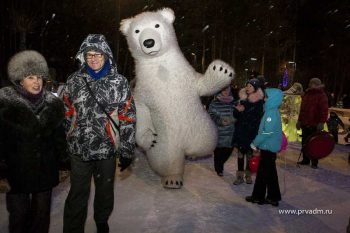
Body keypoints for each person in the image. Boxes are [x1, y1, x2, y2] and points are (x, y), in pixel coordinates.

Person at [62, 34, 136, 233]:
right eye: (89, 55)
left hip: (107, 149)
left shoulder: (119, 82)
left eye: (98, 54)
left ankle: (102, 222)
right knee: (77, 193)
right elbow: (67, 113)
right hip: (79, 149)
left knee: (104, 192)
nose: (93, 59)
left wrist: (128, 150)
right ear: (83, 57)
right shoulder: (74, 81)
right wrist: (64, 144)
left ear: (106, 55)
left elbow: (128, 117)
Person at [0, 50, 67, 233]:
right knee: (18, 217)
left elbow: (59, 138)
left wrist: (63, 163)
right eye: (30, 77)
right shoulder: (5, 104)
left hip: (45, 171)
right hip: (16, 171)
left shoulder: (53, 105)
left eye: (39, 77)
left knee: (41, 217)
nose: (37, 82)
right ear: (20, 80)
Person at [245, 88, 283, 207]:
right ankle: (273, 197)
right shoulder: (271, 110)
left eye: (266, 96)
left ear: (272, 99)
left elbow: (267, 132)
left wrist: (255, 143)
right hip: (269, 147)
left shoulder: (271, 112)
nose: (264, 98)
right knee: (270, 173)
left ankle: (258, 197)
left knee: (262, 173)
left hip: (268, 147)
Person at [232, 78, 265, 185]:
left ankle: (248, 175)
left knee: (250, 155)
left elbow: (258, 117)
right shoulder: (242, 99)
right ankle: (239, 176)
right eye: (247, 85)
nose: (247, 88)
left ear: (255, 88)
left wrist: (245, 112)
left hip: (252, 133)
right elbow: (235, 115)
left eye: (250, 86)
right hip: (241, 132)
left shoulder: (259, 102)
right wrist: (237, 110)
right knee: (240, 155)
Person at [296, 78, 328, 169]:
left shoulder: (321, 95)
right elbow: (302, 110)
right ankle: (305, 159)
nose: (310, 84)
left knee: (314, 143)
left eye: (312, 83)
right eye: (310, 83)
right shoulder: (307, 94)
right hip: (305, 123)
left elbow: (324, 111)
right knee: (305, 142)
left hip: (315, 124)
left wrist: (321, 122)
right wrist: (299, 121)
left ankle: (314, 161)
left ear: (317, 84)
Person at [208, 86, 236, 176]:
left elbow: (237, 114)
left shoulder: (233, 102)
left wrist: (233, 119)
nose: (225, 91)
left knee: (228, 150)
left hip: (230, 132)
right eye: (223, 89)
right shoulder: (214, 103)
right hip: (218, 132)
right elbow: (211, 115)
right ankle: (219, 168)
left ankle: (220, 164)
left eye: (227, 89)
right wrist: (220, 121)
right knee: (218, 152)